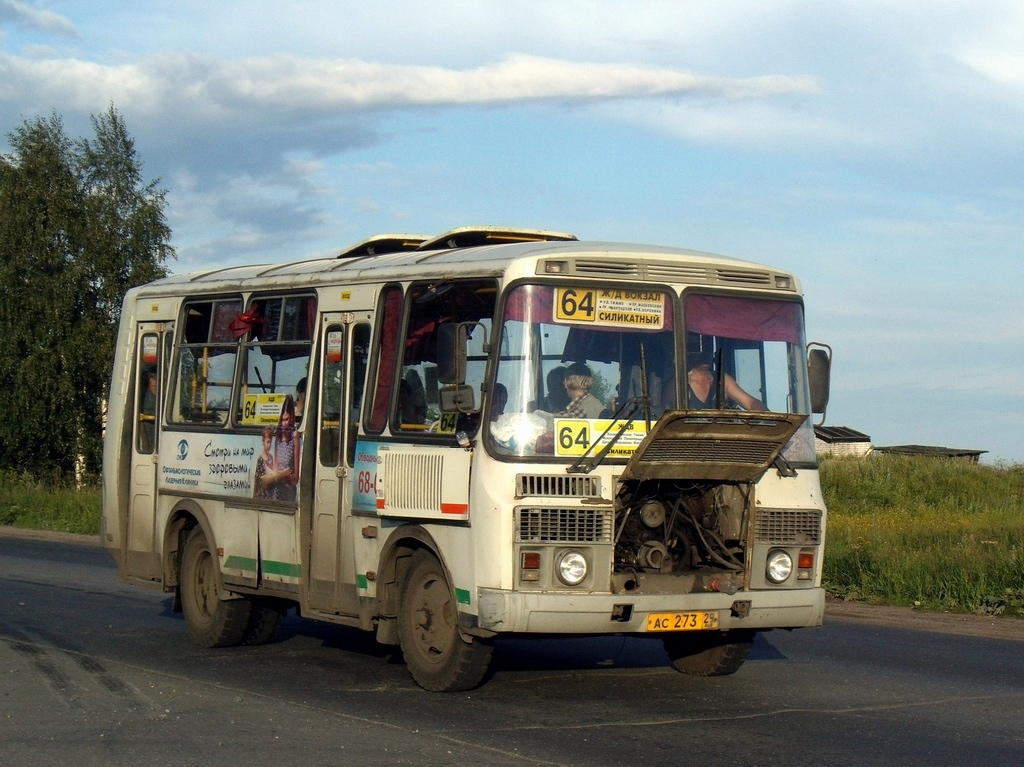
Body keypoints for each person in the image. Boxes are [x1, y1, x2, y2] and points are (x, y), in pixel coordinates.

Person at [686, 354, 764, 411]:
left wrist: (766, 417)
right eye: (699, 351)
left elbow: (751, 403)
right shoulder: (681, 383)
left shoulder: (722, 379)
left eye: (707, 347)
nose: (703, 355)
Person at [273, 395, 301, 501]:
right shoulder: (278, 437)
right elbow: (275, 465)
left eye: (287, 419)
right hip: (276, 489)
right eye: (283, 420)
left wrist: (286, 477)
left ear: (291, 419)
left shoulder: (295, 438)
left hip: (288, 490)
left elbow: (296, 478)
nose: (284, 423)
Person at [253, 426, 277, 499]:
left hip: (269, 494)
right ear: (263, 442)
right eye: (267, 442)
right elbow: (256, 480)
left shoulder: (271, 458)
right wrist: (254, 495)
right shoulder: (260, 459)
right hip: (261, 494)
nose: (269, 445)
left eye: (270, 442)